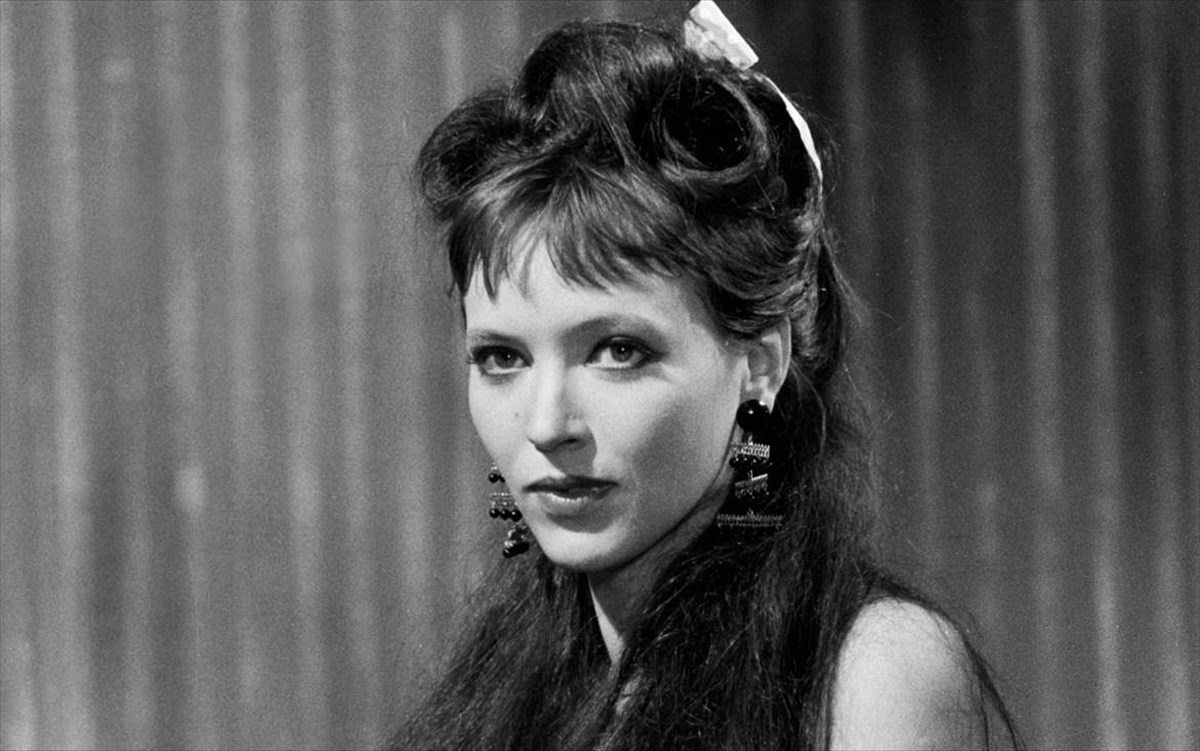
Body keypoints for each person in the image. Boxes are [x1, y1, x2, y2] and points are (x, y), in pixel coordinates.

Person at [393, 4, 1019, 749]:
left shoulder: (872, 673)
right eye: (503, 358)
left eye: (617, 350)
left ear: (760, 363)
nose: (545, 423)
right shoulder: (515, 691)